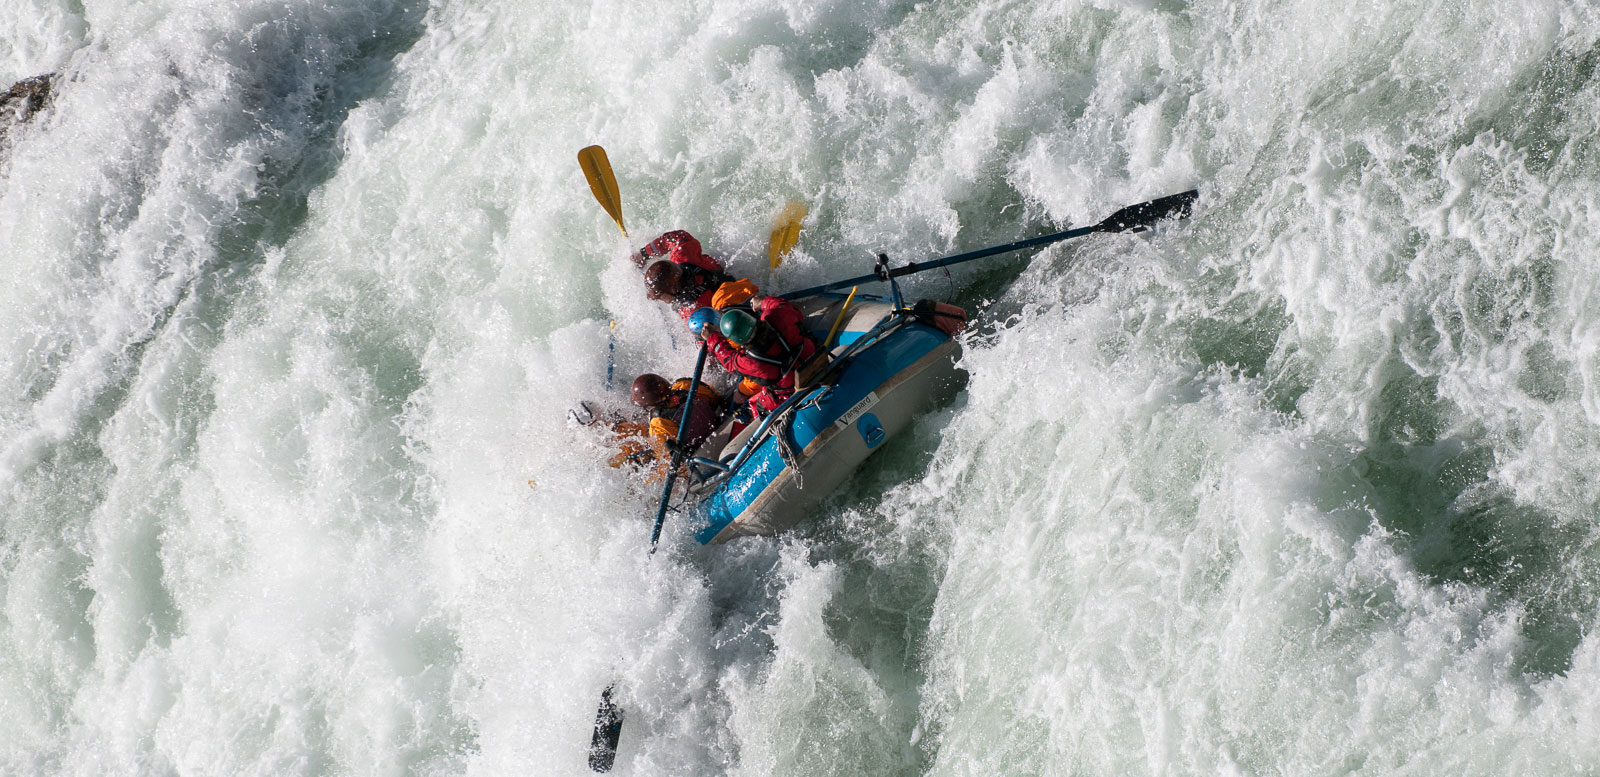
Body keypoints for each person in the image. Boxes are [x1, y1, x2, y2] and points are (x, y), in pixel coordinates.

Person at [697, 299, 819, 416]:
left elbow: (729, 360)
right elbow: (782, 305)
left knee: (760, 406)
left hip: (791, 390)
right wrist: (762, 302)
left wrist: (712, 338)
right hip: (813, 357)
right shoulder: (775, 316)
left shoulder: (749, 361)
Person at [608, 373, 724, 469]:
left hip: (699, 455)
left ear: (650, 405)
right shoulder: (685, 385)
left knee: (639, 440)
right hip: (717, 426)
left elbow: (668, 462)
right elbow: (714, 398)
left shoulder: (659, 423)